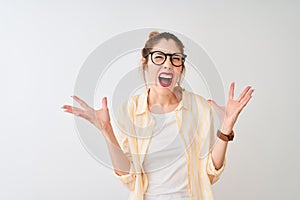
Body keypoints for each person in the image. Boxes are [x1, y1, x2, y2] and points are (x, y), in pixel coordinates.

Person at [61, 31, 254, 200]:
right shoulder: (130, 110)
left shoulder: (199, 107)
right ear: (145, 62)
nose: (168, 64)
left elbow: (210, 173)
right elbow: (129, 177)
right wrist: (106, 129)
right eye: (159, 57)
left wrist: (227, 125)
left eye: (175, 58)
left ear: (181, 67)